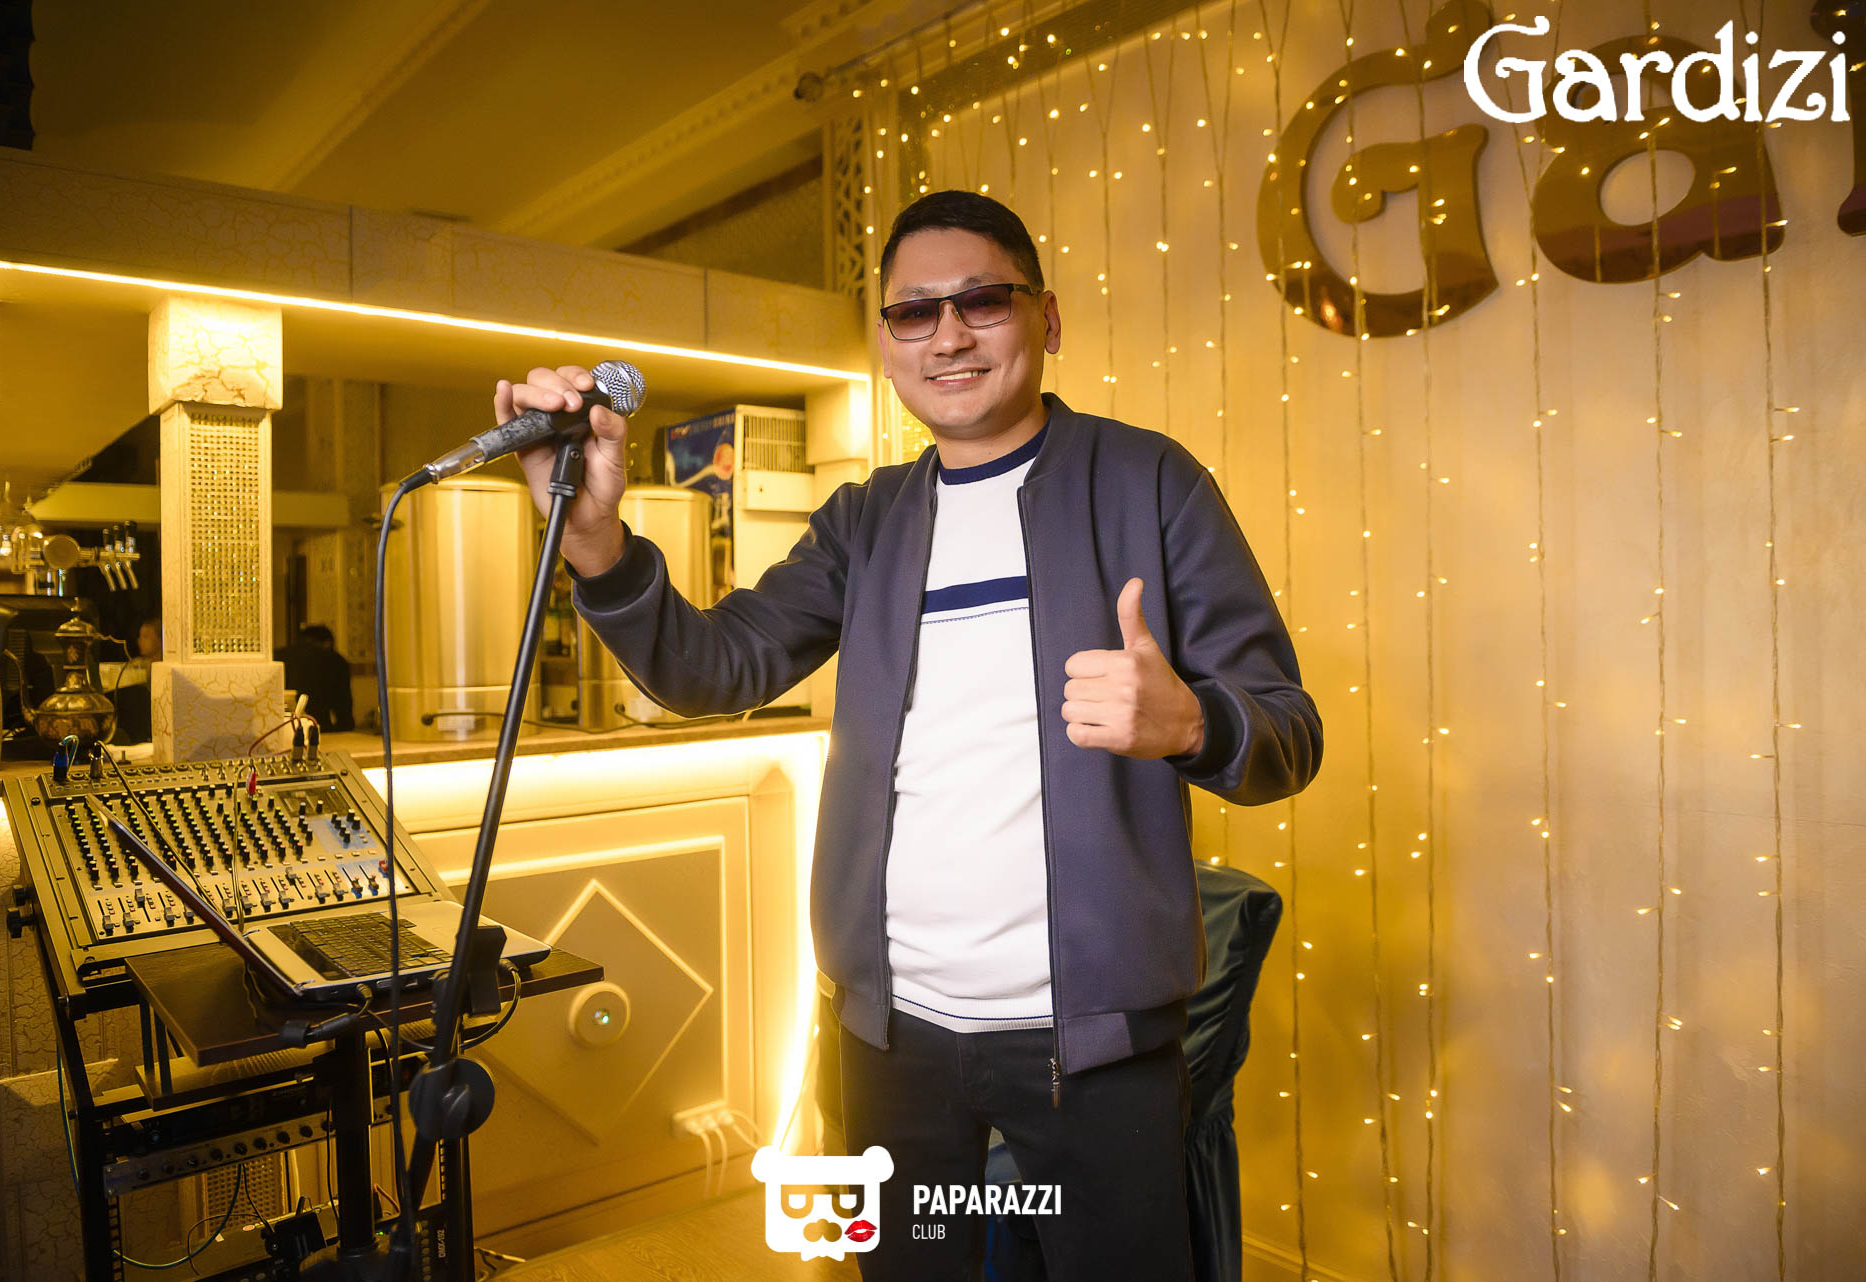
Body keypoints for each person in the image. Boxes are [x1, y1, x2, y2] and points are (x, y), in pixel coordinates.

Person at [497, 190, 1322, 1282]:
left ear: (1048, 319)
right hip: (892, 1039)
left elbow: (1289, 731)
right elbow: (714, 667)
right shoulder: (869, 518)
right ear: (888, 343)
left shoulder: (1148, 482)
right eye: (913, 312)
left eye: (983, 301)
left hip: (1095, 1049)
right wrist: (596, 539)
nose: (948, 335)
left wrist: (1192, 722)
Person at [277, 623, 355, 732]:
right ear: (327, 643)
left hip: (284, 727)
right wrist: (345, 726)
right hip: (319, 727)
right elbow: (343, 703)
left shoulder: (279, 657)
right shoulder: (335, 661)